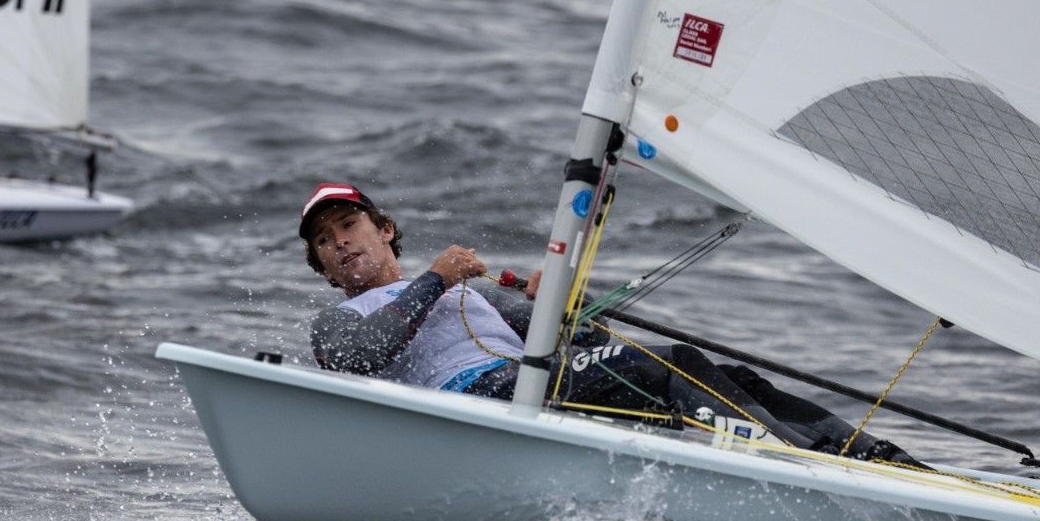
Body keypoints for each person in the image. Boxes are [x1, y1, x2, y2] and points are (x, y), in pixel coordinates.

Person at [301, 182, 925, 466]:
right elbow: (360, 356)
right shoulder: (339, 319)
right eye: (325, 242)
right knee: (672, 367)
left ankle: (866, 453)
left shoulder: (478, 294)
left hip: (526, 383)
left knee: (713, 369)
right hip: (472, 406)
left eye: (349, 227)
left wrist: (557, 306)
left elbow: (591, 346)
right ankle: (799, 465)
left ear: (383, 230)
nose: (340, 244)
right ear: (324, 268)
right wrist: (436, 278)